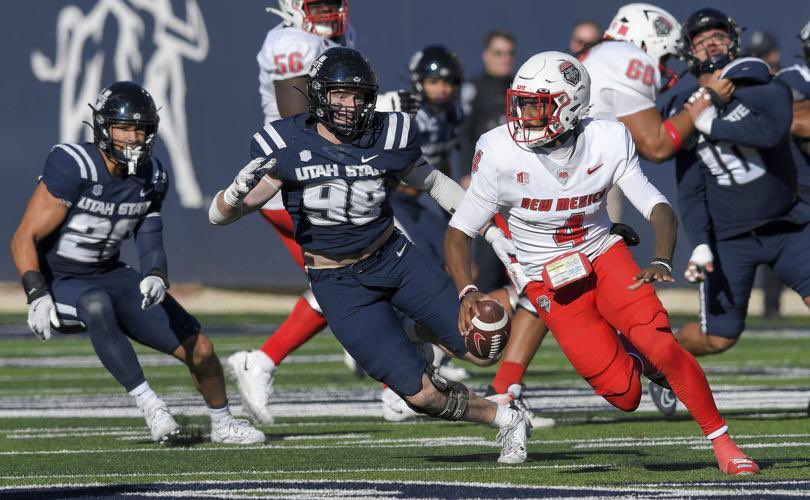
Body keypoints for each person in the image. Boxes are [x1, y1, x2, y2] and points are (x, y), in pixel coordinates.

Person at [209, 47, 533, 464]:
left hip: (392, 258)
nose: (349, 105)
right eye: (340, 95)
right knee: (420, 396)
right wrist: (232, 194)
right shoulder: (286, 143)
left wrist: (488, 230)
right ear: (319, 95)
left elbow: (434, 183)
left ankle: (415, 332)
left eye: (358, 96)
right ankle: (506, 419)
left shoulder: (387, 133)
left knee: (482, 348)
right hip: (338, 282)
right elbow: (220, 217)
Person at [444, 51, 759, 476]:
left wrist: (661, 255)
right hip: (548, 279)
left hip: (603, 253)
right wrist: (467, 289)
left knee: (663, 344)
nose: (523, 116)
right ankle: (643, 362)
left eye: (537, 106)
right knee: (625, 394)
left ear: (570, 105)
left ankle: (723, 442)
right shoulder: (500, 151)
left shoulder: (607, 138)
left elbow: (656, 204)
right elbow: (460, 230)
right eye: (521, 103)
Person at [10, 81, 264, 445]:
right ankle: (152, 406)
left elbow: (149, 235)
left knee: (201, 348)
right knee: (96, 304)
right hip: (62, 282)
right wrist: (35, 292)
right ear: (103, 128)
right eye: (125, 128)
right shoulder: (74, 165)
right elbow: (24, 236)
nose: (134, 137)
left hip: (111, 274)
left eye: (142, 129)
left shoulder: (152, 174)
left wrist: (156, 275)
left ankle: (223, 424)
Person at [658, 9, 810, 417]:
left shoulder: (760, 80)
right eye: (700, 39)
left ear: (733, 39)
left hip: (788, 225)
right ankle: (661, 359)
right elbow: (690, 189)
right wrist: (702, 246)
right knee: (718, 339)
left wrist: (712, 123)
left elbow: (773, 128)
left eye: (718, 35)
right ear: (688, 50)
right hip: (731, 240)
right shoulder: (683, 104)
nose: (710, 43)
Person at [229, 0, 356, 425]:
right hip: (293, 181)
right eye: (317, 5)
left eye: (331, 4)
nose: (328, 13)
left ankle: (265, 361)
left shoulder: (336, 37)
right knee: (353, 275)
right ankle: (263, 360)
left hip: (319, 177)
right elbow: (297, 118)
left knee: (344, 281)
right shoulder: (289, 41)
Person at [581, 2, 735, 223]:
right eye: (664, 57)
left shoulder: (600, 53)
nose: (662, 66)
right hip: (582, 180)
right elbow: (657, 147)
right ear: (647, 42)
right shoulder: (627, 56)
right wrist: (707, 96)